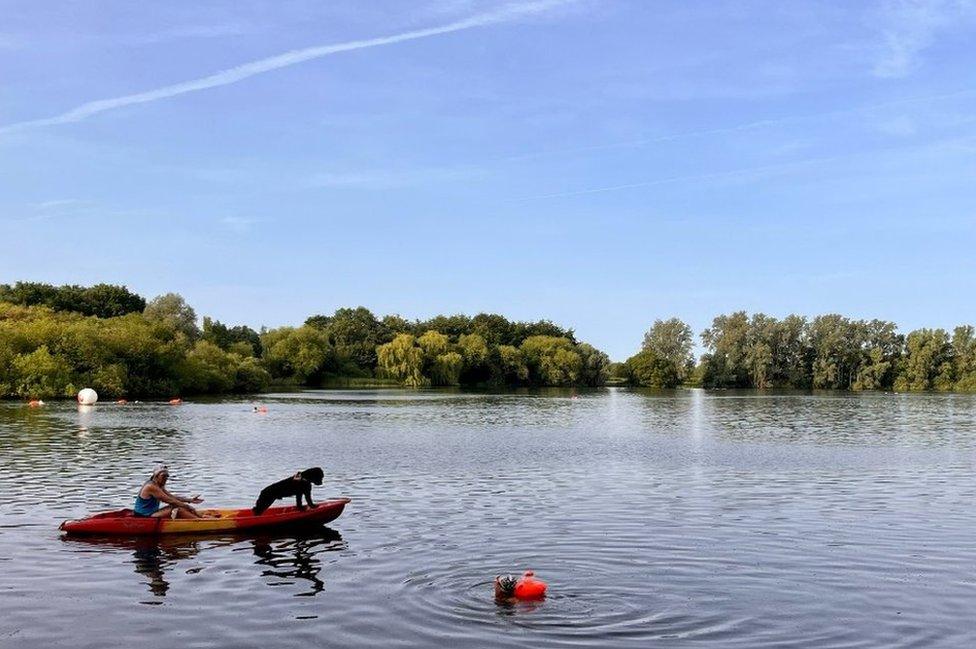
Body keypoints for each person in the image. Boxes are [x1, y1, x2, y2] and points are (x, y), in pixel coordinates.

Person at [133, 464, 208, 519]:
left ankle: (201, 517)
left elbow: (171, 497)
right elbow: (170, 500)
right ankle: (201, 521)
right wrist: (188, 507)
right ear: (156, 476)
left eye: (167, 476)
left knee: (179, 506)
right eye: (163, 476)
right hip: (144, 516)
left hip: (151, 512)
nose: (165, 478)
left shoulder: (158, 485)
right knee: (178, 509)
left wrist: (190, 500)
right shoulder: (151, 487)